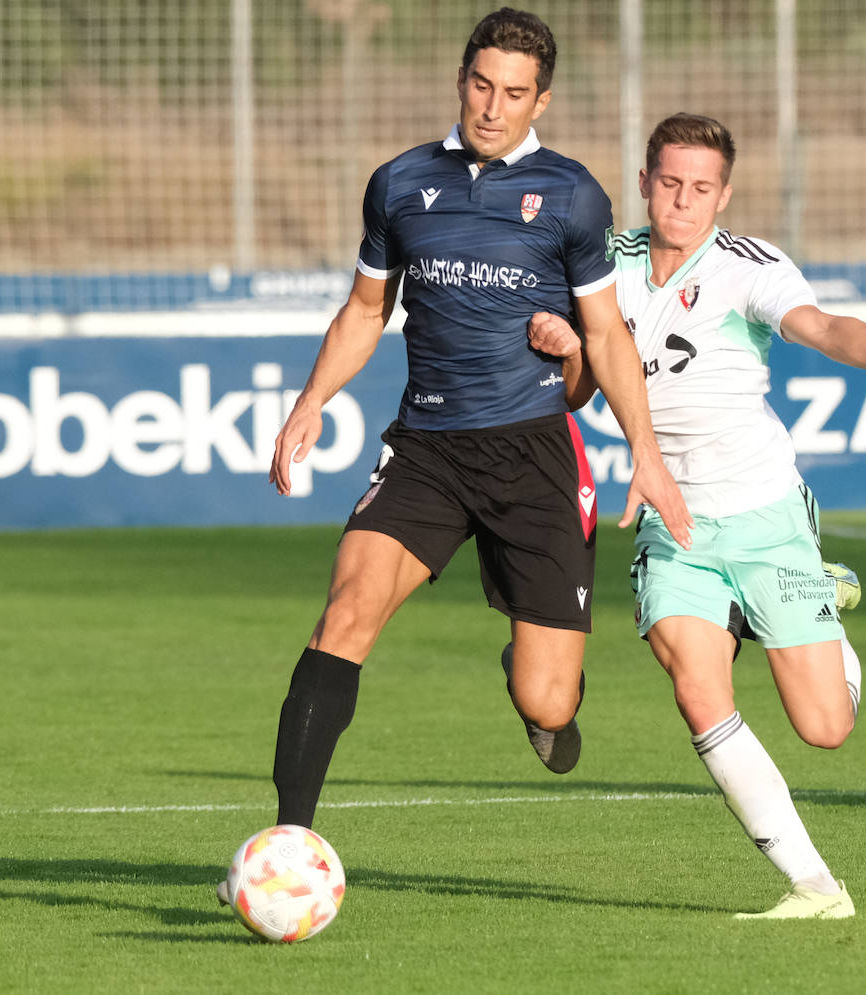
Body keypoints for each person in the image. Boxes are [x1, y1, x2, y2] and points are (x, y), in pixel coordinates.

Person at [253, 10, 693, 840]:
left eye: (514, 93)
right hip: (426, 450)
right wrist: (311, 399)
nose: (493, 106)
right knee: (345, 613)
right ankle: (287, 841)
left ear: (542, 101)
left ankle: (537, 688)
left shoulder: (572, 195)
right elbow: (363, 309)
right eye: (482, 85)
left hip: (533, 454)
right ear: (461, 80)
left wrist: (648, 455)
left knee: (546, 699)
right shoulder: (399, 183)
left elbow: (606, 336)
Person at [528, 113, 866, 919]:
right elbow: (577, 391)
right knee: (699, 690)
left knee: (825, 727)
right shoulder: (601, 267)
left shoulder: (747, 268)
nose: (682, 201)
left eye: (700, 188)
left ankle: (818, 598)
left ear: (723, 194)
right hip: (672, 518)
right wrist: (565, 350)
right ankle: (816, 887)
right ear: (643, 184)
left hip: (765, 514)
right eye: (669, 183)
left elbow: (825, 328)